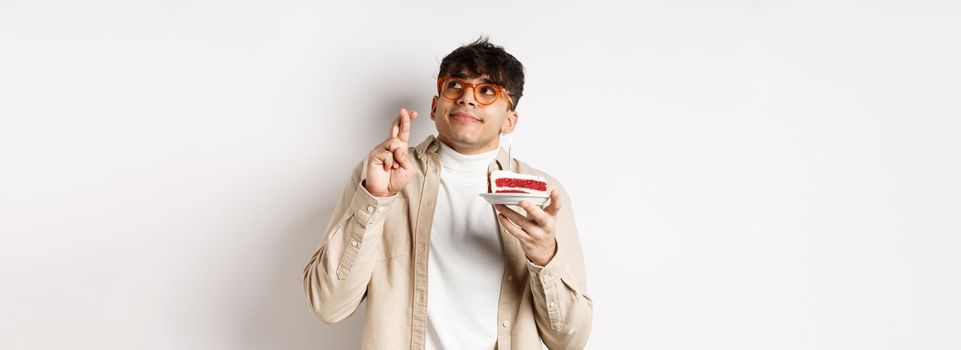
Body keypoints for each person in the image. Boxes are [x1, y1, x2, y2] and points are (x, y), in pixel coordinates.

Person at [303, 37, 592, 350]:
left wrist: (544, 256)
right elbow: (327, 305)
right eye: (455, 85)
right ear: (434, 105)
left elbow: (569, 339)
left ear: (510, 121)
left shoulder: (540, 195)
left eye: (487, 91)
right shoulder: (381, 174)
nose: (467, 98)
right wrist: (375, 199)